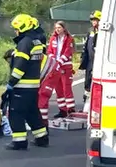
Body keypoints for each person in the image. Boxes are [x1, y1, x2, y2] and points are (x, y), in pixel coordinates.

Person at [6, 14, 49, 151]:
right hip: (33, 85)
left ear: (21, 27)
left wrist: (11, 83)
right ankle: (42, 138)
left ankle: (19, 141)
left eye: (16, 28)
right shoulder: (36, 41)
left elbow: (20, 66)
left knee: (15, 113)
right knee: (32, 112)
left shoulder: (24, 43)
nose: (15, 31)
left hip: (22, 86)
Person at [48, 21, 75, 118]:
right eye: (56, 28)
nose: (57, 29)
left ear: (64, 28)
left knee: (66, 88)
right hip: (55, 67)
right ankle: (62, 110)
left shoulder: (69, 39)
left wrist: (59, 62)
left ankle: (70, 109)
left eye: (59, 27)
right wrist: (53, 61)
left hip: (65, 66)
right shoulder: (53, 38)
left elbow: (67, 52)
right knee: (58, 89)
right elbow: (50, 51)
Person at [79, 11, 100, 104]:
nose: (93, 22)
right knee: (87, 80)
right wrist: (83, 57)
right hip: (90, 61)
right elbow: (86, 45)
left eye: (95, 20)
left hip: (99, 61)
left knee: (97, 81)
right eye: (92, 20)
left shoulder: (103, 32)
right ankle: (87, 99)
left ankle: (96, 101)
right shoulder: (90, 31)